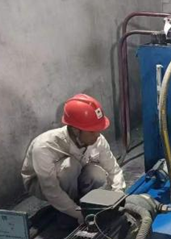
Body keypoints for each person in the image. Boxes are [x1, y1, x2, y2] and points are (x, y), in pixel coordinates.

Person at [22, 94, 126, 227]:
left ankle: (85, 203)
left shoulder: (97, 139)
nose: (97, 135)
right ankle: (68, 211)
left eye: (98, 130)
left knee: (97, 174)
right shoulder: (44, 146)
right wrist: (79, 215)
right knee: (70, 167)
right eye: (92, 132)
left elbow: (114, 170)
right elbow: (50, 189)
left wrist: (118, 195)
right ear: (76, 130)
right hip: (41, 184)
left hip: (75, 176)